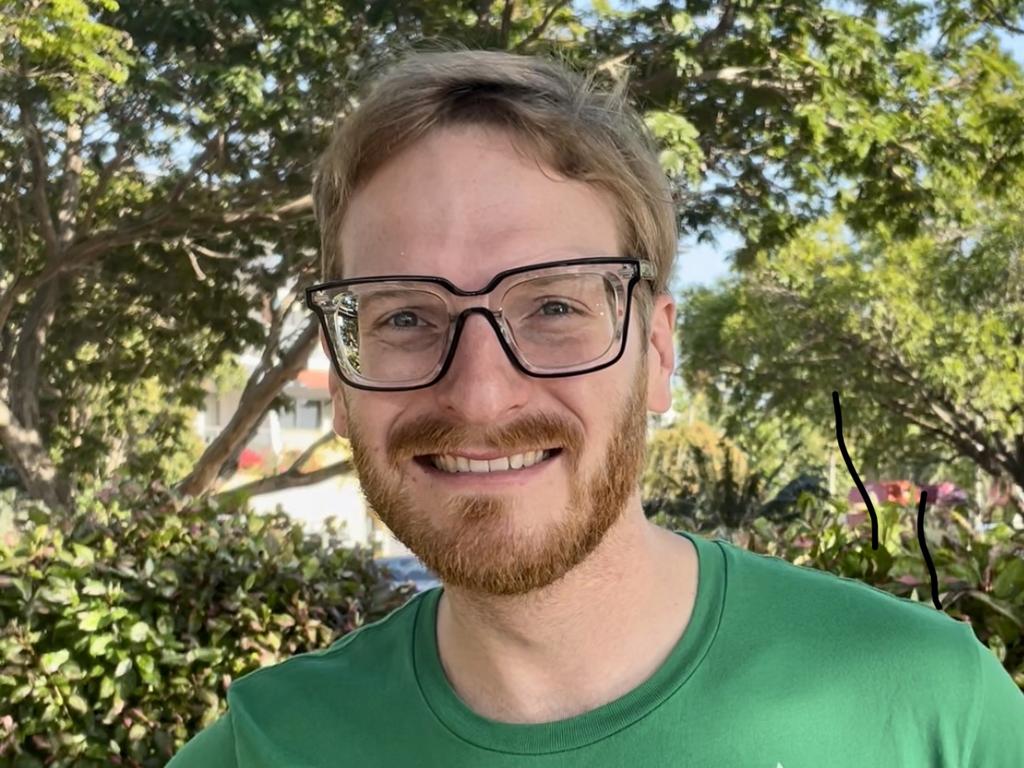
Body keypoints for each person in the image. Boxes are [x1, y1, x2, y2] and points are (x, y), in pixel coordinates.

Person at [168, 45, 1024, 767]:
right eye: (402, 316)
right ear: (344, 379)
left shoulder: (929, 709)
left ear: (655, 352)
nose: (478, 393)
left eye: (553, 307)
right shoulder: (264, 747)